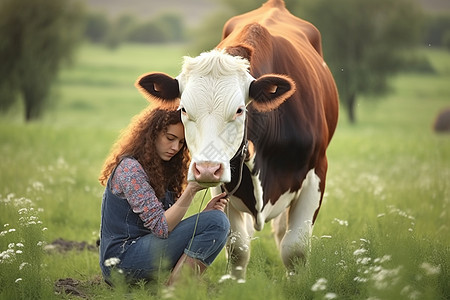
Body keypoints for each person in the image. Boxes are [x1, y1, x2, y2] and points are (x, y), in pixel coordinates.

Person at [98, 108, 230, 286]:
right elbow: (162, 228)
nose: (175, 148)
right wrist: (191, 190)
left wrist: (205, 214)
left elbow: (167, 225)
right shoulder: (130, 169)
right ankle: (175, 290)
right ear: (152, 135)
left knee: (216, 221)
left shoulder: (163, 169)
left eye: (182, 142)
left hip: (145, 251)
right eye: (170, 138)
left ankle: (177, 286)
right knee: (218, 222)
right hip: (121, 262)